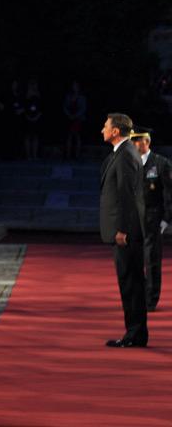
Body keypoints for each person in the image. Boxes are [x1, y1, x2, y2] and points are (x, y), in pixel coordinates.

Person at [99, 113, 148, 347]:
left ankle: (135, 335)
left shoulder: (126, 154)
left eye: (105, 126)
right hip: (125, 231)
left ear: (116, 131)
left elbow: (128, 196)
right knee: (129, 282)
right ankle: (134, 333)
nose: (102, 130)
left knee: (131, 283)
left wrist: (122, 229)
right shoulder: (121, 153)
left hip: (126, 233)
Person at [129, 127, 172, 311]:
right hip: (134, 218)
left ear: (146, 141)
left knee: (151, 259)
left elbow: (169, 193)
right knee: (134, 259)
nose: (132, 144)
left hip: (153, 217)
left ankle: (150, 299)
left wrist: (166, 219)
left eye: (135, 141)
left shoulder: (161, 163)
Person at [63, 81, 87, 160]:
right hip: (69, 119)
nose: (74, 87)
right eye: (73, 85)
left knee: (77, 136)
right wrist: (69, 115)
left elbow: (83, 109)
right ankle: (68, 154)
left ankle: (77, 155)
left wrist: (76, 116)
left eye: (76, 86)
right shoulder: (68, 96)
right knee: (69, 136)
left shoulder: (82, 97)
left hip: (78, 119)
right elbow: (65, 107)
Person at [23, 79, 42, 161]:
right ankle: (28, 155)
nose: (34, 86)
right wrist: (28, 116)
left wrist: (37, 116)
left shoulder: (38, 95)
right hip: (27, 118)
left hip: (36, 118)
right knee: (28, 136)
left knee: (35, 136)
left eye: (35, 84)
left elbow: (41, 107)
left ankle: (34, 155)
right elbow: (24, 107)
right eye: (32, 84)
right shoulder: (26, 95)